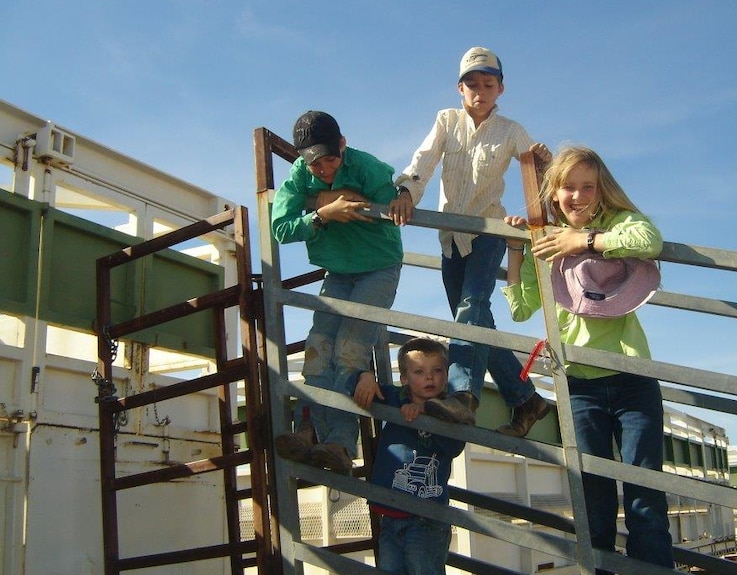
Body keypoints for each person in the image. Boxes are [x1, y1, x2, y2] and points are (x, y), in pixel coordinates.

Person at [502, 146, 674, 574]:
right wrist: (516, 250)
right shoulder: (545, 239)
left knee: (644, 492)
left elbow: (649, 240)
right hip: (578, 385)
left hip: (632, 377)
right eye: (567, 188)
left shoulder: (615, 224)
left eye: (587, 187)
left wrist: (586, 240)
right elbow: (521, 308)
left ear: (601, 191)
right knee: (592, 497)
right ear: (553, 192)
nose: (577, 197)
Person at [388, 46, 552, 436]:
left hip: (489, 230)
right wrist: (407, 193)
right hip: (450, 239)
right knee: (474, 322)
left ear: (500, 89)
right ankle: (526, 400)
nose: (480, 91)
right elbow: (423, 160)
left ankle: (463, 396)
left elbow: (539, 178)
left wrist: (545, 164)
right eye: (472, 84)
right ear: (460, 89)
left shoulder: (512, 130)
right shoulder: (446, 121)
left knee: (471, 306)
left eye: (488, 84)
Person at [270, 110, 403, 474]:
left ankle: (341, 444)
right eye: (316, 165)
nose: (325, 169)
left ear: (343, 145)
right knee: (317, 349)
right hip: (338, 271)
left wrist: (334, 196)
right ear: (302, 160)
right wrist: (323, 212)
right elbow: (281, 227)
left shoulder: (368, 167)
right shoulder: (300, 175)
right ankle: (308, 431)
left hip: (378, 267)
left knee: (349, 350)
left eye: (331, 159)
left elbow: (392, 203)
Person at [351, 337, 465, 575]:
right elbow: (353, 385)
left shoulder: (449, 411)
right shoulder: (393, 398)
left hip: (428, 518)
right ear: (404, 378)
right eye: (419, 371)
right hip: (390, 517)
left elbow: (455, 446)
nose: (429, 377)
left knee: (423, 570)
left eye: (437, 370)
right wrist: (365, 376)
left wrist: (427, 413)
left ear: (446, 376)